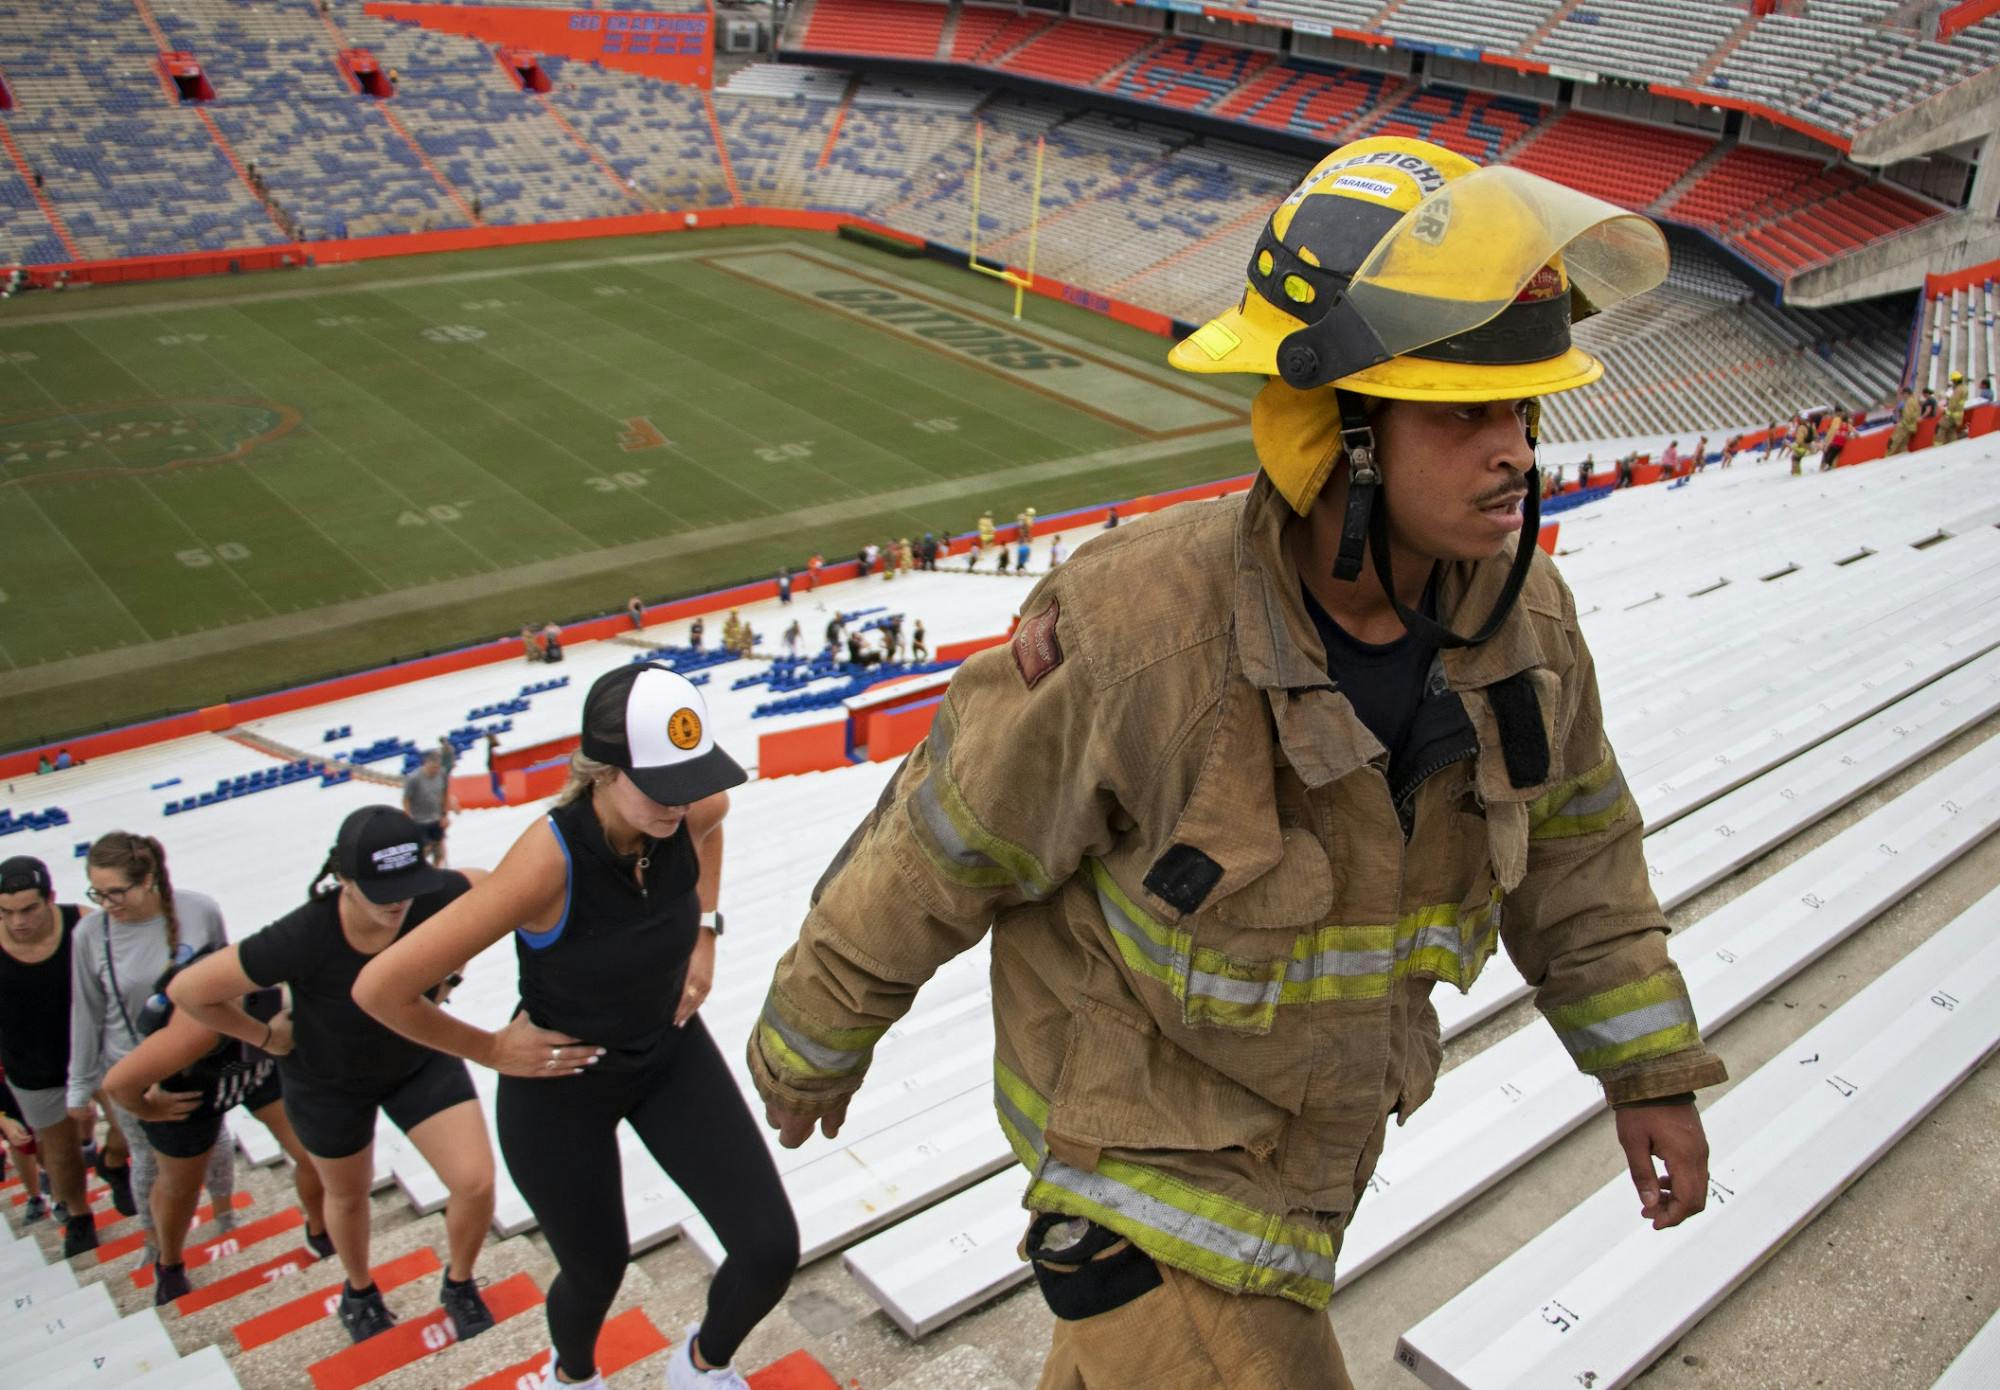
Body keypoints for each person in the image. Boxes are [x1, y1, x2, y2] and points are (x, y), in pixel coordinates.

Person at [748, 136, 1724, 1389]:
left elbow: (1581, 853)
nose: (1517, 452)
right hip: (1133, 1176)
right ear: (1344, 432)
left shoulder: (1527, 626)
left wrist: (1645, 1072)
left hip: (1303, 1174)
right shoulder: (1137, 632)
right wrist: (816, 1029)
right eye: (1466, 411)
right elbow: (948, 834)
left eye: (1523, 409)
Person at [356, 665, 798, 1390]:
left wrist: (707, 932)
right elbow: (381, 988)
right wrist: (493, 1050)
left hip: (668, 1049)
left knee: (769, 1247)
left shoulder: (688, 806)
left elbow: (712, 826)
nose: (679, 800)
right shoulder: (546, 860)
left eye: (689, 780)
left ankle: (699, 1367)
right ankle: (571, 1377)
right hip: (562, 1082)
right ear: (601, 771)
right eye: (661, 783)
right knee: (597, 1270)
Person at [170, 807, 498, 1344]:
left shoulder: (432, 893)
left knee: (476, 1181)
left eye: (408, 887)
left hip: (417, 1057)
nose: (397, 902)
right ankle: (360, 1290)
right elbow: (190, 990)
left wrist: (451, 972)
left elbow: (491, 892)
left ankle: (459, 1282)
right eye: (378, 891)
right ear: (342, 879)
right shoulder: (303, 934)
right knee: (346, 1196)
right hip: (327, 1081)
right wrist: (264, 1036)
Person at [103, 949, 330, 1305]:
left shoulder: (287, 992)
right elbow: (118, 1084)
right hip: (191, 1094)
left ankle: (320, 1230)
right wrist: (149, 1109)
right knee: (182, 1187)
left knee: (315, 1153)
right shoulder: (196, 1031)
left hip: (257, 1070)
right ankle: (170, 1263)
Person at [70, 833, 236, 1275]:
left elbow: (225, 981)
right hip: (132, 1070)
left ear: (148, 881)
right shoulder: (90, 933)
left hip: (198, 1062)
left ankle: (226, 1219)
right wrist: (80, 1086)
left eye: (116, 892)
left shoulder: (199, 910)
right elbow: (85, 1011)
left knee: (215, 1142)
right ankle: (156, 1244)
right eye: (97, 894)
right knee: (147, 1161)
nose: (107, 903)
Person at [1, 855, 133, 1256]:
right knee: (59, 1150)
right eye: (5, 912)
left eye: (28, 909)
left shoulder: (83, 923)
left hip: (95, 1052)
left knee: (131, 1124)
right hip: (32, 1065)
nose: (18, 922)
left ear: (50, 899)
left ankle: (113, 1161)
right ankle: (78, 1215)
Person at [403, 750, 455, 868]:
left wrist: (445, 815)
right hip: (419, 820)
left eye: (437, 767)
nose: (435, 770)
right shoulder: (414, 778)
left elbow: (444, 794)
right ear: (425, 763)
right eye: (432, 767)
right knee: (425, 850)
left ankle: (436, 871)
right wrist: (409, 818)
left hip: (436, 818)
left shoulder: (441, 774)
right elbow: (406, 800)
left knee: (439, 851)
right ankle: (421, 871)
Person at [1938, 370, 1969, 445]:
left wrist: (1947, 412)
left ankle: (1937, 446)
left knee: (1940, 427)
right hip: (1959, 415)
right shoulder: (1965, 388)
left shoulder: (1958, 390)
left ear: (1955, 381)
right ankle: (1952, 445)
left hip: (1952, 415)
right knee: (1951, 431)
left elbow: (1953, 403)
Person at [1887, 388, 1919, 455]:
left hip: (1904, 427)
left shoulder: (1909, 402)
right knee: (1903, 445)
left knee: (1893, 443)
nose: (1903, 396)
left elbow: (1908, 415)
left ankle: (1888, 457)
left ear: (1907, 394)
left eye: (1903, 395)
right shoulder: (1914, 401)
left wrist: (1901, 423)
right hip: (1910, 427)